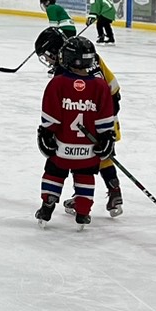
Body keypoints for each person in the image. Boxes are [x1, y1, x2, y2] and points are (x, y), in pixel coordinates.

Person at [37, 35, 117, 229]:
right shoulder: (99, 86)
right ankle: (82, 213)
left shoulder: (58, 83)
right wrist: (107, 137)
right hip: (88, 151)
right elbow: (105, 119)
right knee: (85, 177)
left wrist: (45, 133)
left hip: (62, 148)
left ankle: (48, 204)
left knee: (54, 173)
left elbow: (51, 116)